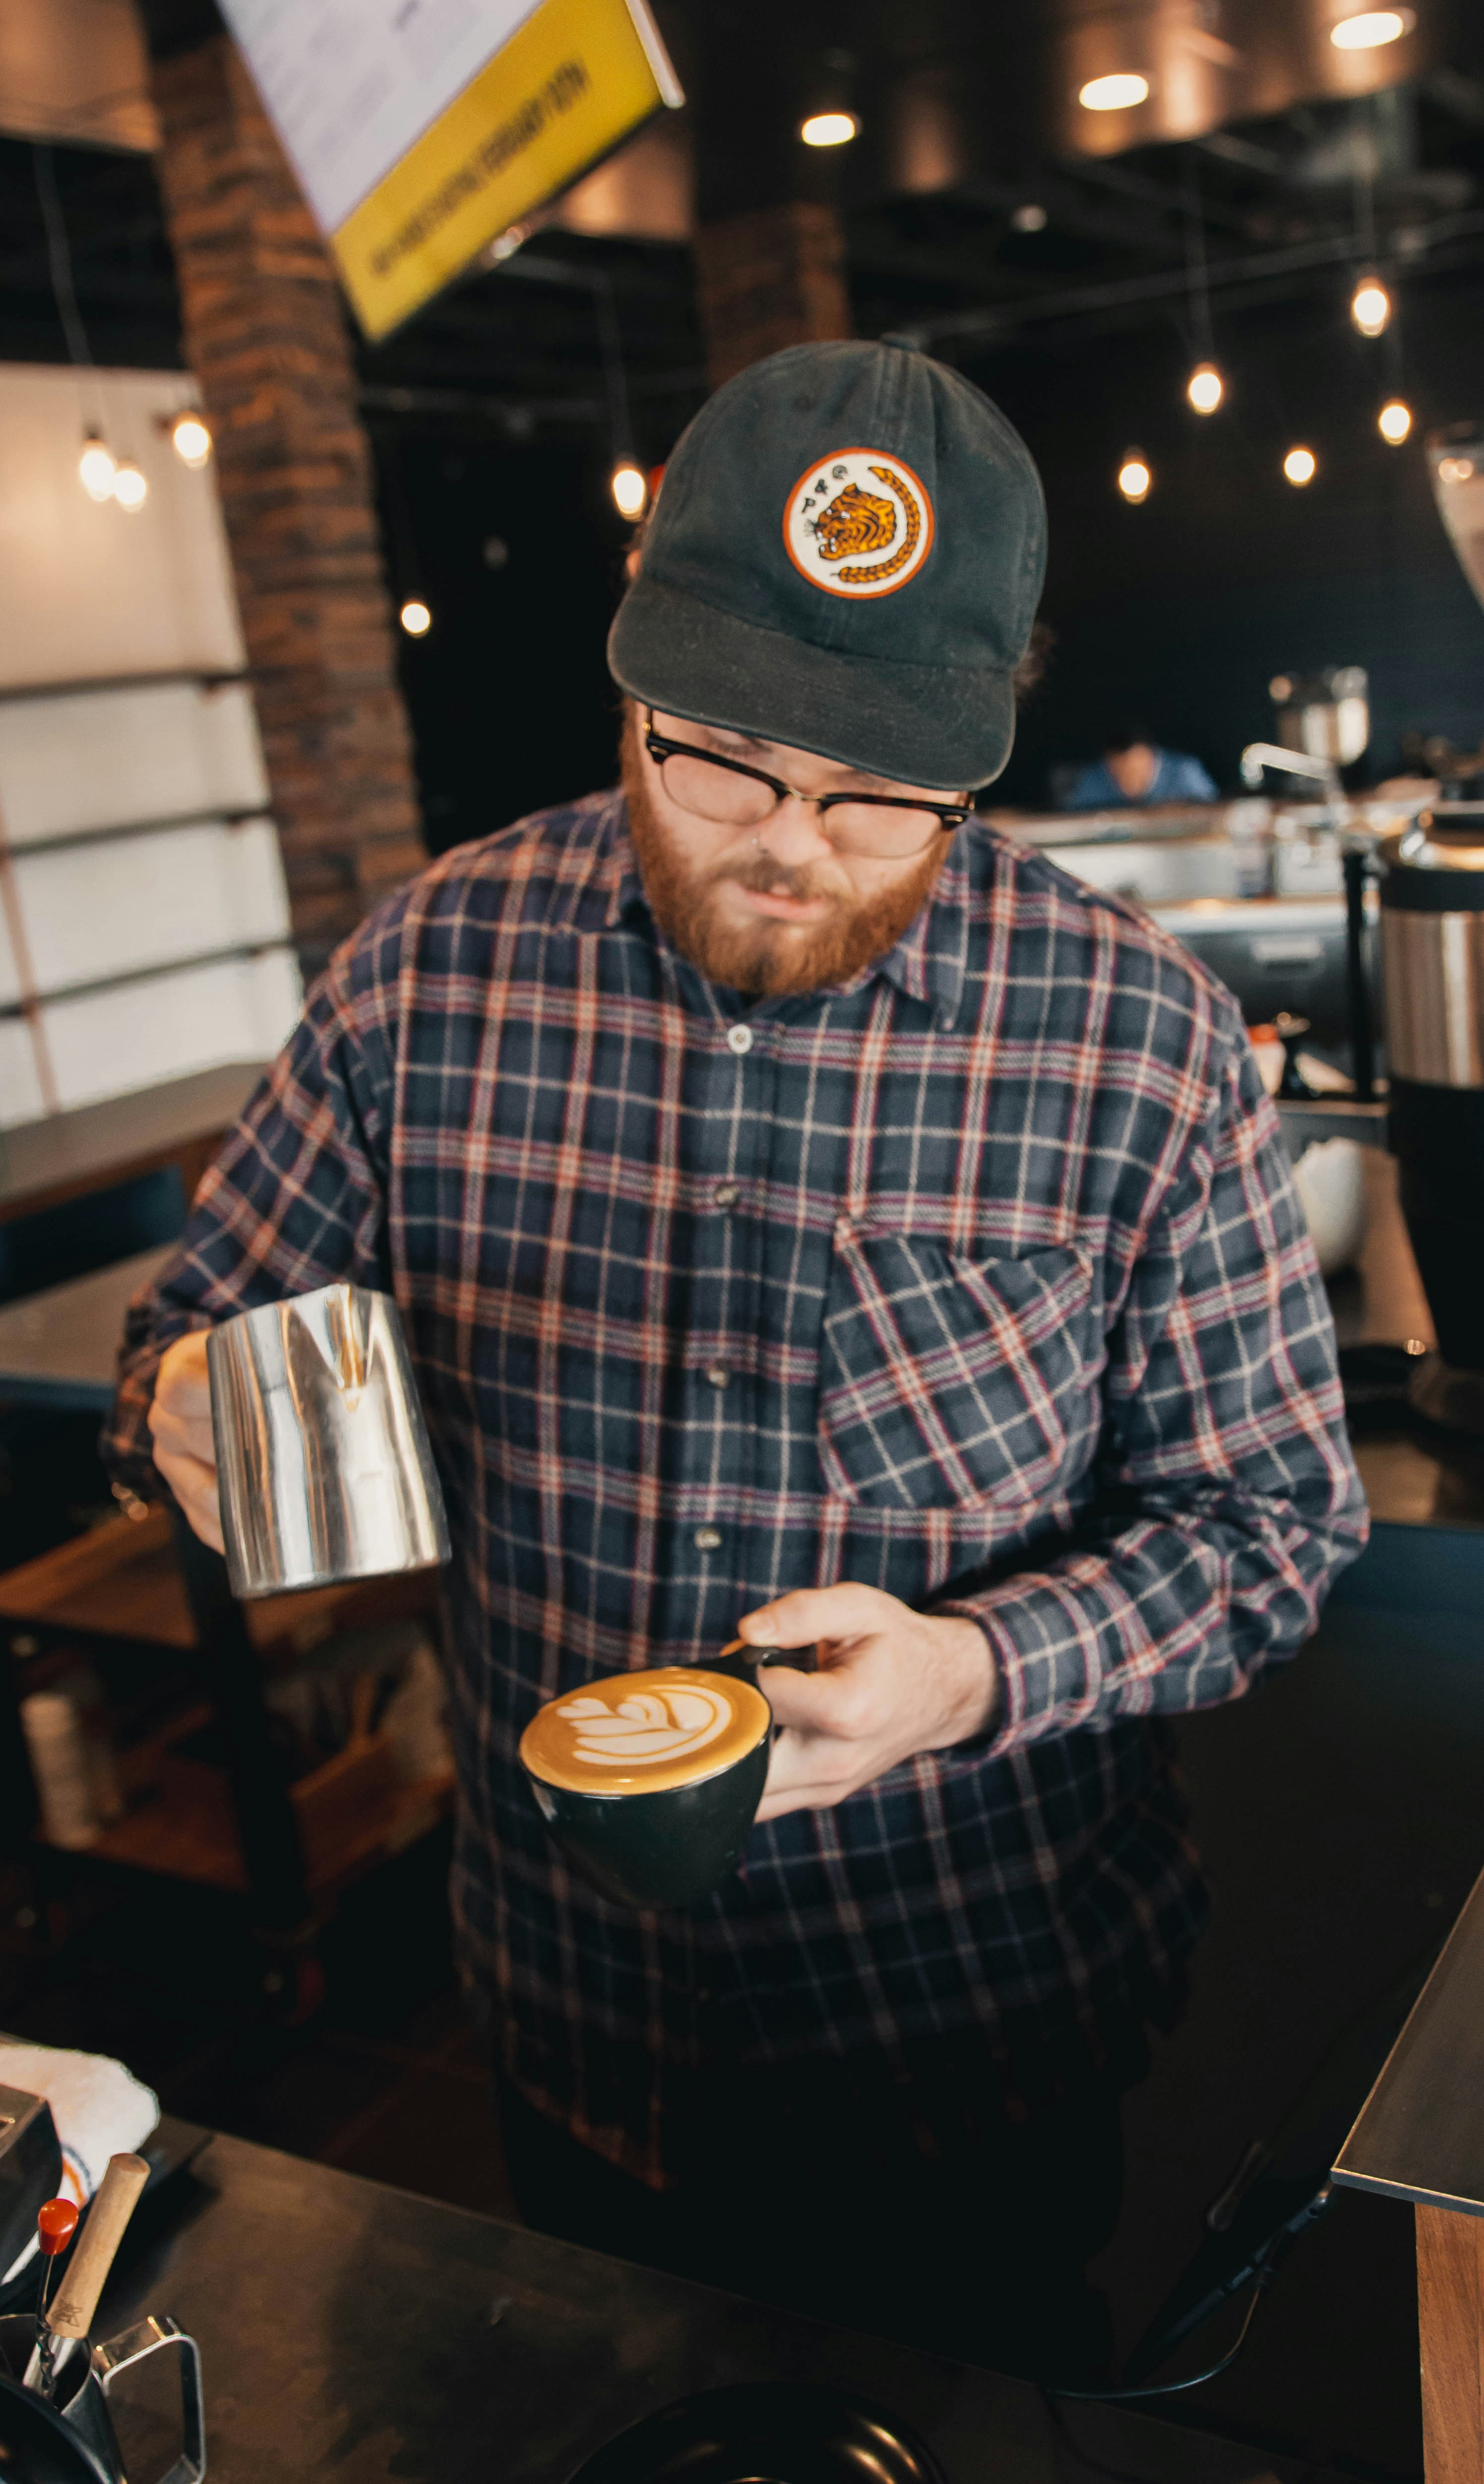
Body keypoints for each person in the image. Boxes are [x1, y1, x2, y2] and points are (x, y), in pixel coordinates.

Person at [105, 342, 1365, 2383]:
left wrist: (969, 1670)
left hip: (970, 2017)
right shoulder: (429, 967)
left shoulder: (1137, 1041)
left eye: (879, 793)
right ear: (633, 693)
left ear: (981, 741)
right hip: (563, 2008)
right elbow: (204, 1330)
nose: (790, 843)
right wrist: (187, 1412)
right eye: (719, 764)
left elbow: (1276, 1526)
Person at [1052, 721, 1218, 810]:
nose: (1130, 778)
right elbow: (1075, 819)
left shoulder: (1185, 770)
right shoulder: (1093, 777)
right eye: (1120, 771)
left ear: (1153, 757)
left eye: (1136, 770)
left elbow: (1215, 812)